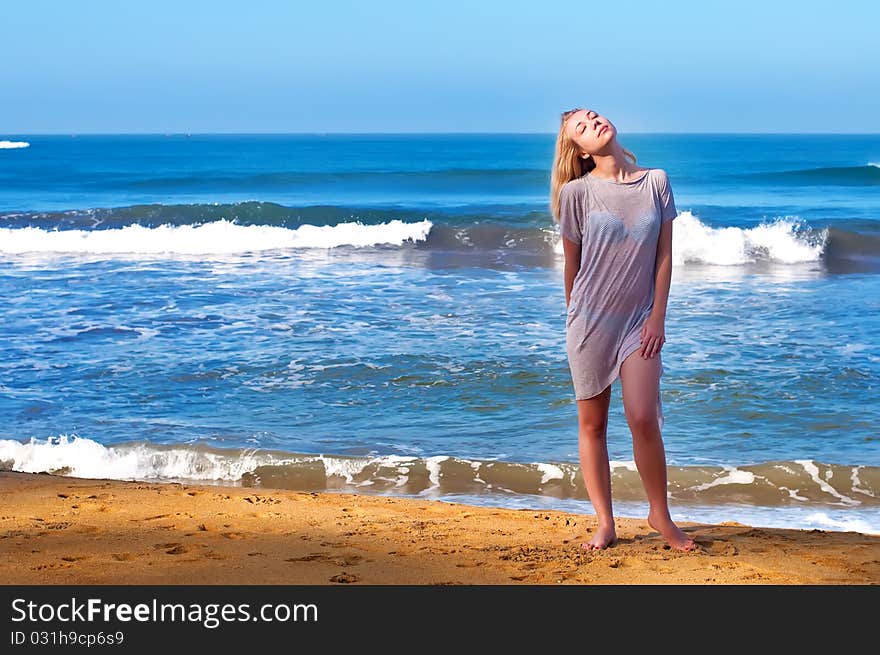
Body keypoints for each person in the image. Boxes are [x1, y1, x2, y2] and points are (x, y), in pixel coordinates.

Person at [550, 107, 697, 552]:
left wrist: (658, 318)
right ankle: (605, 522)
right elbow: (572, 269)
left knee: (642, 416)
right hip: (591, 322)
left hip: (640, 322)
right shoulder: (576, 194)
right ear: (578, 148)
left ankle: (660, 515)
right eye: (582, 126)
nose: (594, 122)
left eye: (594, 115)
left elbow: (665, 256)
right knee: (592, 425)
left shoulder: (656, 181)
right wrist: (576, 318)